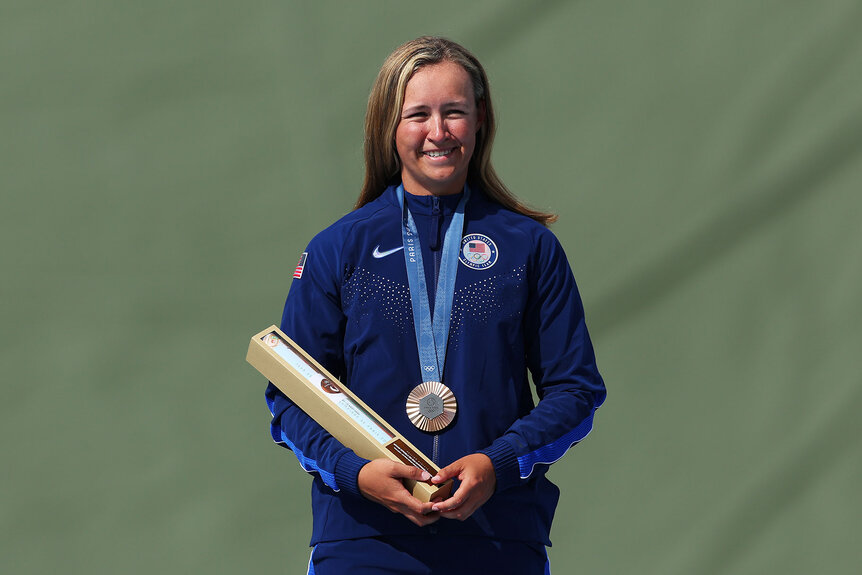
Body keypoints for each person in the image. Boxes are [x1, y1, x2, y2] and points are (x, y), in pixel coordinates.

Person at [266, 36, 606, 574]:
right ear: (389, 125)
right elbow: (289, 399)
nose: (438, 132)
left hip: (499, 542)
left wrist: (497, 463)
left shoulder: (528, 247)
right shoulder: (338, 249)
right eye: (418, 114)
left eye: (454, 112)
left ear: (481, 119)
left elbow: (576, 391)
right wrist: (355, 474)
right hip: (364, 545)